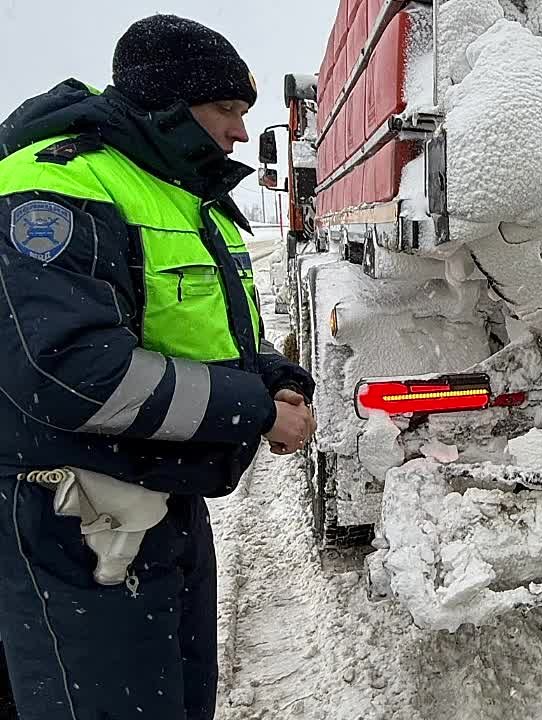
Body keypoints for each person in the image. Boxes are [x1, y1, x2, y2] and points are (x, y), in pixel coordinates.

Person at [0, 14, 316, 720]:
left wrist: (268, 375)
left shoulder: (174, 192)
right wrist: (256, 409)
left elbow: (189, 336)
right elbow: (69, 370)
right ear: (166, 104)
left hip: (156, 503)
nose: (240, 132)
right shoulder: (57, 188)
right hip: (74, 519)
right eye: (226, 110)